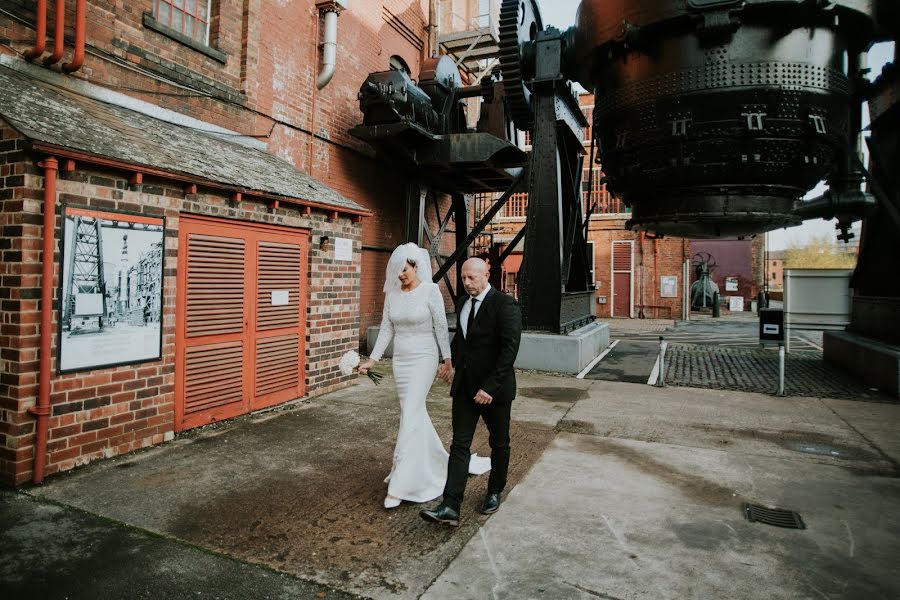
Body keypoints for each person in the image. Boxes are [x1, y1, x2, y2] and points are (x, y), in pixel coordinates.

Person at [359, 243, 489, 509]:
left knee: (410, 412)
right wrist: (372, 359)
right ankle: (434, 464)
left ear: (416, 267)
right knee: (413, 414)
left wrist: (447, 359)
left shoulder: (430, 291)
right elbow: (386, 329)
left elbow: (441, 326)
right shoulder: (393, 295)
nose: (400, 276)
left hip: (424, 358)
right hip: (401, 361)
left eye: (404, 270)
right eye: (397, 272)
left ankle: (401, 484)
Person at [420, 257, 522, 527]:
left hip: (494, 392)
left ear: (486, 275)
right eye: (463, 278)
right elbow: (463, 341)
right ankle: (450, 505)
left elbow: (509, 350)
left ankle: (494, 491)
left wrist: (490, 387)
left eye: (471, 278)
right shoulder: (464, 303)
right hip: (465, 388)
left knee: (499, 443)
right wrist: (449, 361)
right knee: (459, 444)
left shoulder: (505, 305)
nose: (466, 283)